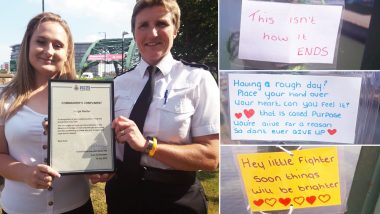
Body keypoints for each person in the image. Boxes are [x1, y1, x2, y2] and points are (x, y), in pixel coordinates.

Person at [100, 0, 219, 213]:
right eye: (143, 25)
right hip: (123, 197)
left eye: (162, 24)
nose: (152, 33)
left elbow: (210, 157)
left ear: (176, 30)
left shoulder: (198, 79)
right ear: (134, 32)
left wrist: (148, 146)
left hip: (176, 200)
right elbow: (102, 141)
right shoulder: (117, 84)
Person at [0, 12, 94, 214]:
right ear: (28, 45)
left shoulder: (85, 97)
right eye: (41, 41)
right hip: (19, 208)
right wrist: (26, 173)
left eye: (58, 45)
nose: (49, 51)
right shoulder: (4, 97)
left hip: (76, 206)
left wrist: (98, 167)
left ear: (68, 53)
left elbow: (93, 152)